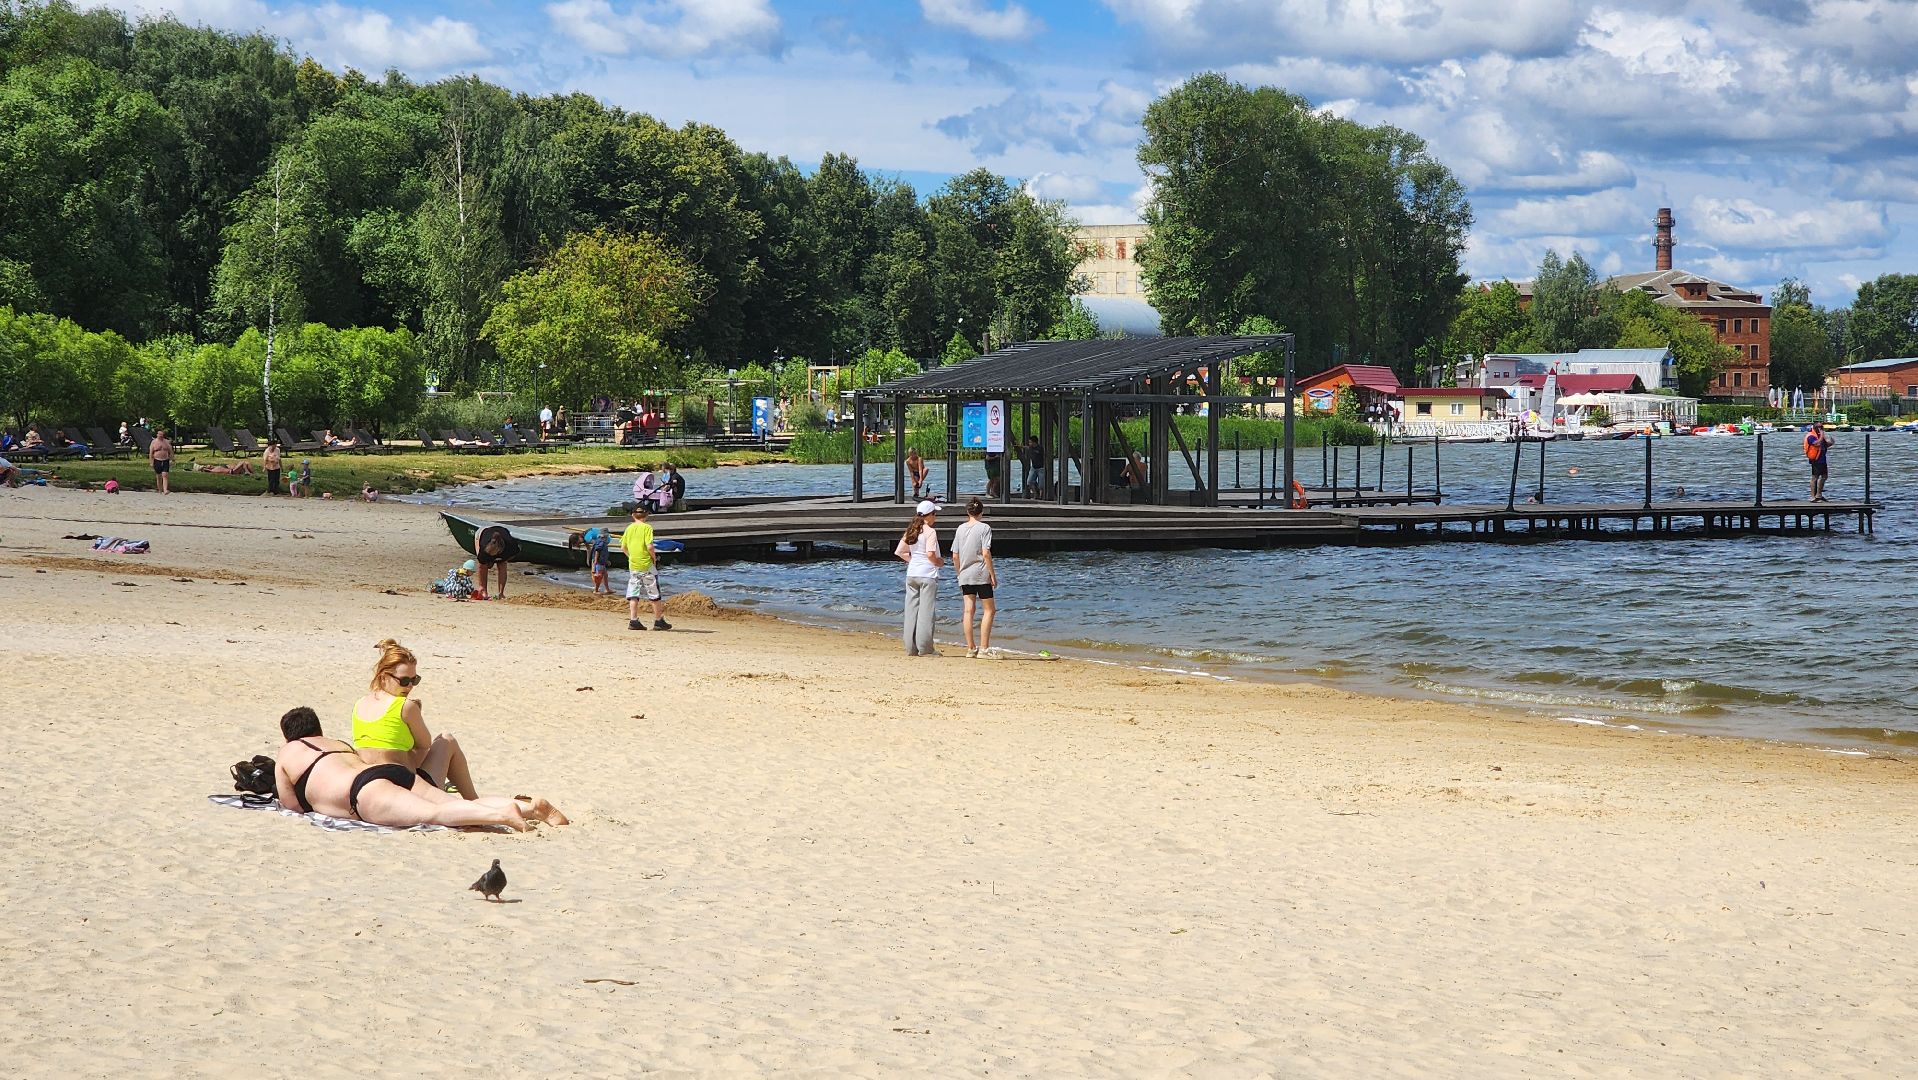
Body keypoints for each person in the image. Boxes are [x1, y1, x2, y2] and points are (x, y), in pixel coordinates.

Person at [255, 706, 564, 829]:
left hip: (362, 793)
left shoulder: (288, 752)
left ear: (287, 736)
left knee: (435, 815)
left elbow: (292, 805)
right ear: (318, 729)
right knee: (449, 802)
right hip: (386, 773)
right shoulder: (336, 743)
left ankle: (502, 815)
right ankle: (529, 808)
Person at [351, 639, 492, 803]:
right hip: (407, 788)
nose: (410, 686)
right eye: (404, 681)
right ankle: (473, 800)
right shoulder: (405, 706)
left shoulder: (359, 704)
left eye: (415, 680)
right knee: (447, 740)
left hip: (372, 787)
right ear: (383, 677)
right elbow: (425, 745)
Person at [895, 499, 943, 656]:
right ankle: (925, 648)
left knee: (911, 610)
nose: (935, 517)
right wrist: (939, 562)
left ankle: (910, 647)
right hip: (927, 574)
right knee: (926, 612)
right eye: (934, 514)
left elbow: (900, 551)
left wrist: (913, 560)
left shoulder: (911, 530)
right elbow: (930, 554)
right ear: (929, 515)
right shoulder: (930, 532)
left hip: (912, 574)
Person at [952, 498, 997, 658]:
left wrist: (959, 573)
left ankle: (971, 648)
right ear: (981, 512)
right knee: (989, 610)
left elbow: (955, 555)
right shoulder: (985, 528)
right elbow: (986, 553)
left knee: (968, 610)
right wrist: (992, 574)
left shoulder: (960, 528)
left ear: (968, 512)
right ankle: (984, 648)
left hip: (965, 573)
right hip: (981, 573)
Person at [621, 505, 671, 630]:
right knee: (654, 593)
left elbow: (623, 547)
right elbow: (649, 546)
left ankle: (633, 620)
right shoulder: (647, 528)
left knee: (633, 593)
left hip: (633, 565)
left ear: (633, 515)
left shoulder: (629, 528)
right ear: (647, 515)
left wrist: (630, 556)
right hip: (646, 565)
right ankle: (658, 620)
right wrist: (654, 558)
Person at [474, 523, 517, 600]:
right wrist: (490, 561)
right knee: (484, 565)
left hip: (502, 534)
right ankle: (483, 590)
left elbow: (513, 555)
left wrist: (502, 559)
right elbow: (481, 566)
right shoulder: (484, 547)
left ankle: (501, 593)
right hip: (482, 533)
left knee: (502, 565)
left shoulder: (510, 545)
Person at [1805, 422, 1834, 502]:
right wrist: (1822, 434)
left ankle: (1819, 494)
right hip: (1816, 459)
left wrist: (1831, 442)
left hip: (1822, 459)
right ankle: (1813, 496)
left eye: (1822, 427)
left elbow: (1825, 445)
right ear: (1816, 428)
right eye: (1820, 427)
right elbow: (1816, 443)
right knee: (1815, 477)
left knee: (1824, 476)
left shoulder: (1819, 436)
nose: (1821, 429)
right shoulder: (1811, 436)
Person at [583, 527, 612, 594]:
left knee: (605, 575)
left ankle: (607, 589)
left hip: (602, 561)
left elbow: (603, 553)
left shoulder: (600, 541)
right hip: (599, 562)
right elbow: (597, 551)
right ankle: (596, 590)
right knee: (599, 576)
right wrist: (596, 560)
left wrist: (606, 561)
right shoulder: (601, 542)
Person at [148, 428, 173, 494]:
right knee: (158, 476)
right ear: (157, 434)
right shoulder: (153, 442)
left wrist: (171, 459)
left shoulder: (167, 442)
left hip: (165, 459)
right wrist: (151, 462)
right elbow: (151, 453)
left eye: (162, 434)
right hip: (157, 460)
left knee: (165, 475)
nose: (161, 435)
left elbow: (171, 451)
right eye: (159, 434)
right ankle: (160, 489)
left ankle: (165, 490)